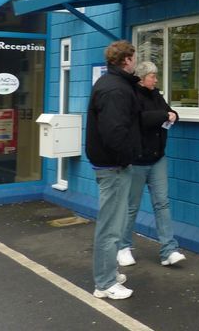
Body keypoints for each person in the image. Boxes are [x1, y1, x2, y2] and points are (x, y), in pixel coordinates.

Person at [86, 40, 142, 300]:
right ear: (127, 60)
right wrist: (128, 156)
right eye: (135, 57)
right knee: (110, 227)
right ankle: (105, 283)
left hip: (113, 164)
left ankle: (108, 272)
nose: (137, 61)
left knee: (115, 225)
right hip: (113, 166)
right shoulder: (115, 90)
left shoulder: (113, 84)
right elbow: (114, 132)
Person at [117, 61, 186, 267]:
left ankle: (168, 251)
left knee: (162, 203)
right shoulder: (131, 95)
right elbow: (141, 119)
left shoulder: (156, 95)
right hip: (137, 160)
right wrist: (164, 115)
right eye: (152, 76)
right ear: (142, 77)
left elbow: (170, 113)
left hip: (157, 159)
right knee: (131, 206)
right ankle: (123, 247)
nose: (155, 80)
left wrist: (173, 115)